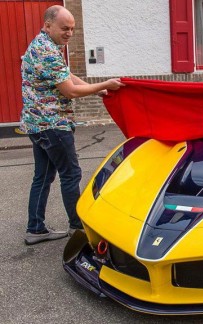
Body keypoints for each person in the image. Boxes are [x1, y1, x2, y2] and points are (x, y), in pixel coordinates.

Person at [20, 5, 125, 245]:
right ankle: (77, 229)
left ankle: (35, 229)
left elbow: (66, 76)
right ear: (48, 25)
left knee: (43, 176)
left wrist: (93, 88)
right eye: (64, 28)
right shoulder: (47, 51)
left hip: (36, 125)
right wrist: (102, 85)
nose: (69, 33)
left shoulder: (42, 45)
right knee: (71, 174)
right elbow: (70, 90)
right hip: (53, 125)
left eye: (72, 29)